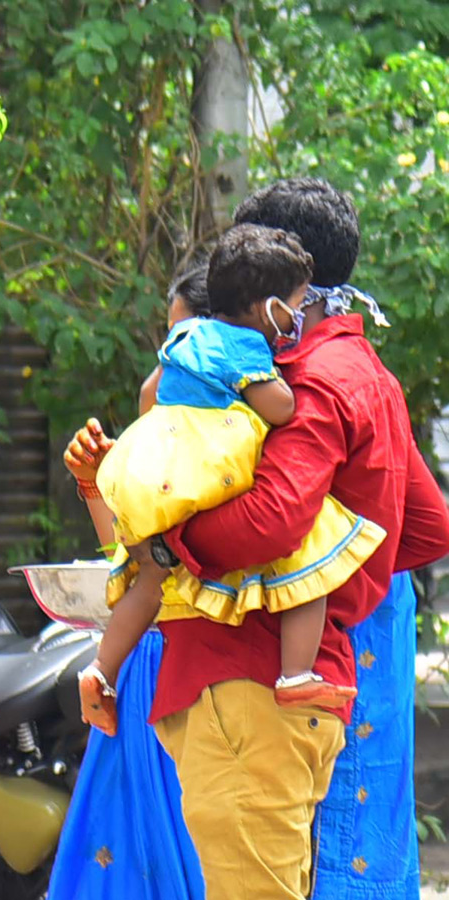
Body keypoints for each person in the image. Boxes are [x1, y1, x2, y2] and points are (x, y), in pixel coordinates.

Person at [130, 179, 449, 900]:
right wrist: (332, 577)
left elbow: (271, 522)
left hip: (248, 679)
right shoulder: (367, 373)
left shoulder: (304, 381)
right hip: (309, 677)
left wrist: (167, 542)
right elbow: (426, 526)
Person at [78, 224, 385, 735]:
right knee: (310, 547)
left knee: (151, 580)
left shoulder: (184, 335)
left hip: (161, 460)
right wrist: (286, 388)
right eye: (294, 305)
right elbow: (280, 408)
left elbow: (150, 393)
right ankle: (297, 673)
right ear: (269, 309)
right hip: (212, 461)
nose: (296, 318)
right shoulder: (244, 346)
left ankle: (101, 672)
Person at [47, 267, 208, 900]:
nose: (168, 362)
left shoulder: (255, 425)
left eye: (185, 335)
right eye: (168, 338)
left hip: (199, 665)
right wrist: (95, 483)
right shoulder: (163, 401)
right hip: (147, 660)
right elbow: (135, 556)